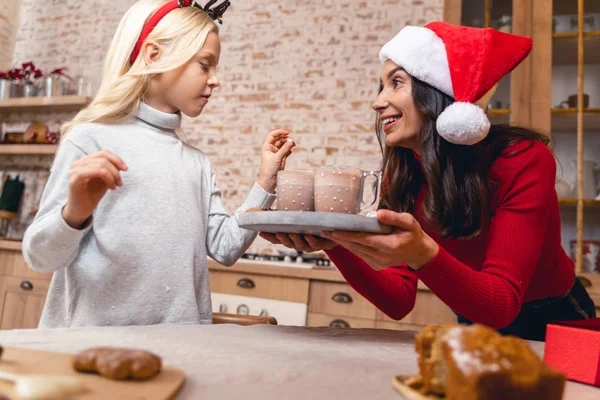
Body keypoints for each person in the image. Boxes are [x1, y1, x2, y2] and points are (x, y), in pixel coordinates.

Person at [261, 21, 596, 341]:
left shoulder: (520, 160)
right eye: (381, 87)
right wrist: (333, 239)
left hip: (554, 321)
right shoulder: (405, 171)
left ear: (434, 92)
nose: (377, 102)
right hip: (475, 314)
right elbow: (398, 300)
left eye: (396, 83)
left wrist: (423, 253)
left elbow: (502, 302)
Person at [23, 0, 294, 328]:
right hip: (93, 355)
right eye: (205, 65)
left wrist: (265, 181)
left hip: (178, 355)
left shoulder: (197, 164)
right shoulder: (89, 139)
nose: (216, 80)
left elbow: (226, 248)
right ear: (154, 56)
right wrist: (74, 213)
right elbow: (41, 257)